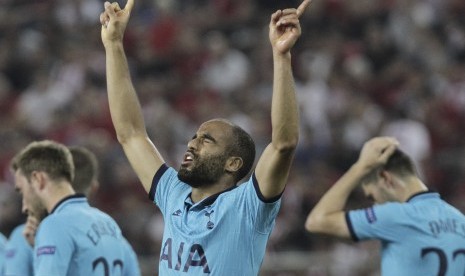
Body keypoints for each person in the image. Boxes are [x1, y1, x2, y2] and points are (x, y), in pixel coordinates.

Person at [99, 0, 310, 274]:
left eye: (206, 140)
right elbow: (130, 133)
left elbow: (284, 144)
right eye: (195, 136)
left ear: (233, 163)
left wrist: (281, 57)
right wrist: (113, 44)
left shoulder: (247, 207)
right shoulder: (174, 194)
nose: (191, 143)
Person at [305, 136, 465, 276]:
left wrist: (361, 167)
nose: (375, 204)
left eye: (372, 196)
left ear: (385, 178)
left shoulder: (395, 216)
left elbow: (317, 221)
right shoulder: (459, 219)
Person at [11, 140, 140, 275]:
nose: (24, 206)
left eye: (22, 190)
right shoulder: (109, 223)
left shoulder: (54, 225)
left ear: (38, 178)